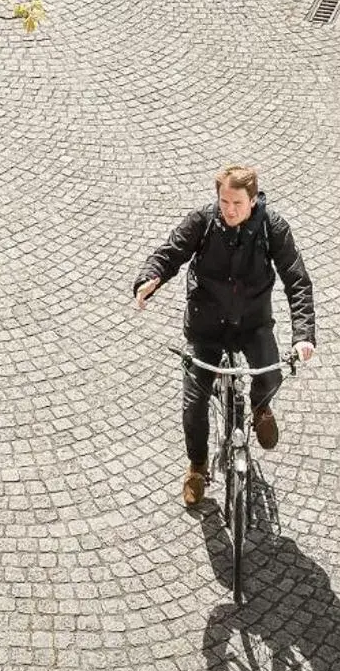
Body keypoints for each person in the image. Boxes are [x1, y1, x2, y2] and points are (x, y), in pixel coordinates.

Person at [134, 165, 317, 507]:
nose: (229, 210)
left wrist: (303, 335)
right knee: (194, 403)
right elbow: (171, 251)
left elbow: (297, 280)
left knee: (271, 373)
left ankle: (261, 409)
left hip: (252, 324)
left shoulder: (272, 228)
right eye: (224, 201)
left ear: (253, 200)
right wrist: (152, 277)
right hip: (207, 326)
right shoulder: (203, 222)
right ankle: (197, 467)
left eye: (236, 203)